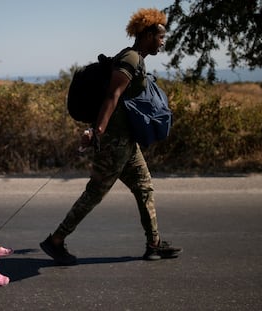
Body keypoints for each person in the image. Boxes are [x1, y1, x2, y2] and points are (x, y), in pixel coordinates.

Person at [40, 8, 182, 265]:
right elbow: (112, 96)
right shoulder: (130, 59)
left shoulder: (137, 58)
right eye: (160, 37)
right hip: (114, 141)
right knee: (95, 192)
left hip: (127, 141)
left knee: (144, 187)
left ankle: (154, 244)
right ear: (148, 34)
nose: (162, 42)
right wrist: (98, 131)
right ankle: (56, 240)